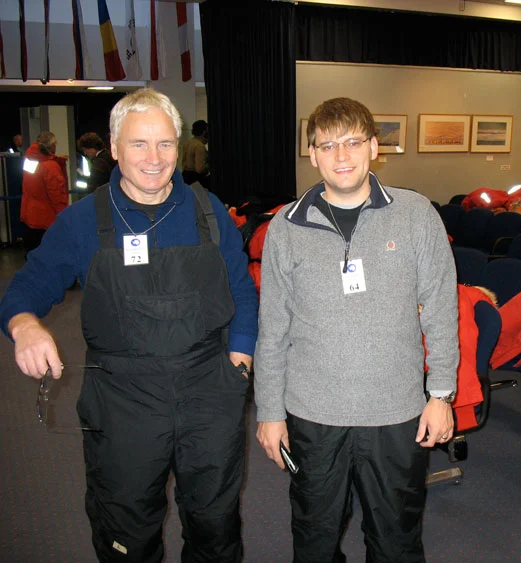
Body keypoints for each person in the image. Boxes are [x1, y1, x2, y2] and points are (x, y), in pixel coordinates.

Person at [0, 88, 257, 562]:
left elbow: (241, 288)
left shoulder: (208, 212)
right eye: (139, 144)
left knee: (215, 524)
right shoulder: (83, 221)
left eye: (165, 144)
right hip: (122, 401)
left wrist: (239, 360)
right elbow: (27, 286)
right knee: (126, 528)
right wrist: (25, 325)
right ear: (115, 148)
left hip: (208, 393)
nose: (154, 159)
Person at [254, 97, 459, 562]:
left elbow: (441, 309)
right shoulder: (286, 226)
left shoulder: (415, 213)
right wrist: (269, 411)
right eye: (328, 146)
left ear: (373, 147)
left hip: (396, 413)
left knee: (396, 541)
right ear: (312, 154)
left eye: (352, 142)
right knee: (314, 539)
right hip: (313, 415)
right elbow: (273, 328)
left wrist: (441, 395)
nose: (341, 156)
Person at [20, 131, 69, 256]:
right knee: (51, 255)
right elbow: (57, 195)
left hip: (29, 214)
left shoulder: (30, 160)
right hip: (46, 218)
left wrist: (56, 159)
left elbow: (36, 180)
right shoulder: (51, 166)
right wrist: (64, 216)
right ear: (52, 146)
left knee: (33, 255)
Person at [181, 119, 210, 190]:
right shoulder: (199, 146)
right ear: (204, 132)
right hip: (195, 180)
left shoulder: (188, 142)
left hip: (185, 177)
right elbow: (199, 169)